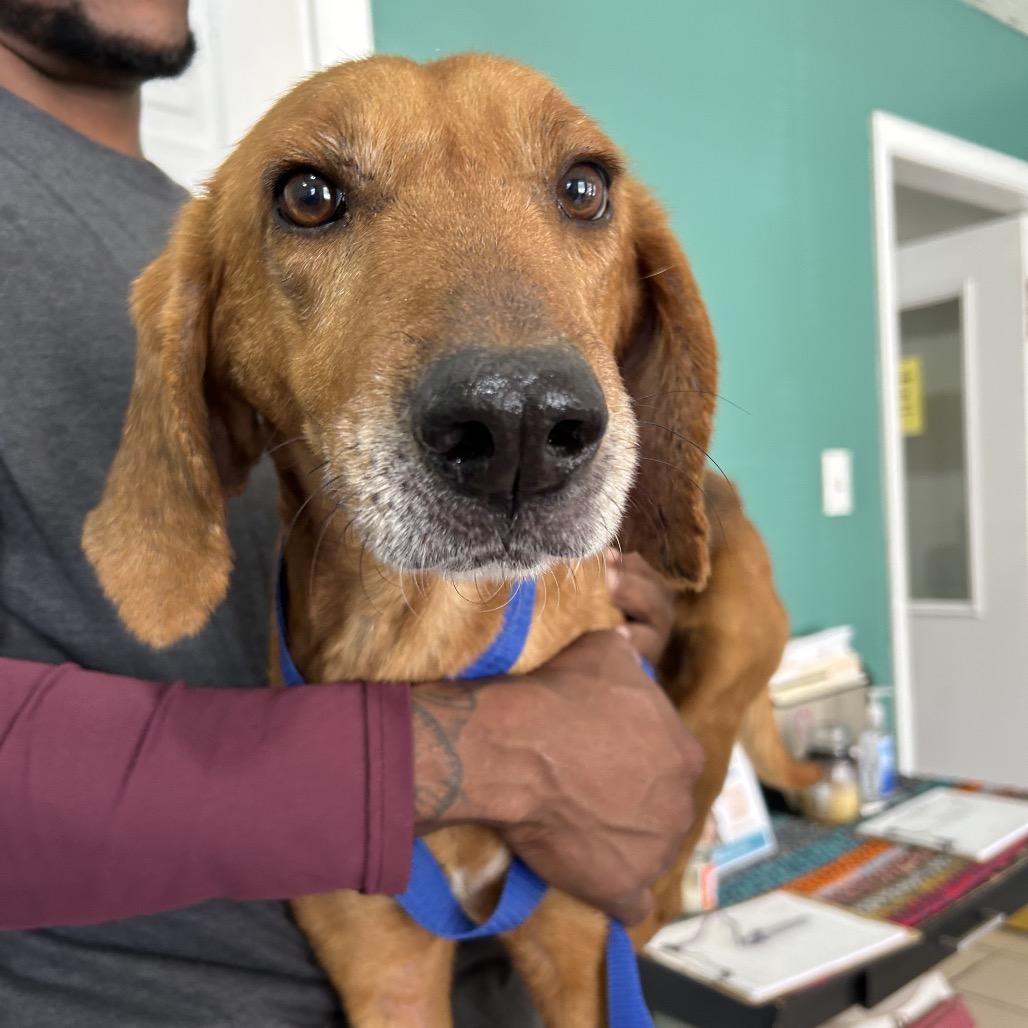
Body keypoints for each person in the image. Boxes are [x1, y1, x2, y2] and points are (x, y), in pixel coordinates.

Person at [0, 1, 704, 1025]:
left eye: (577, 190)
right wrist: (505, 750)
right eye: (318, 198)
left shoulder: (189, 205)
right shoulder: (205, 252)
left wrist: (615, 612)